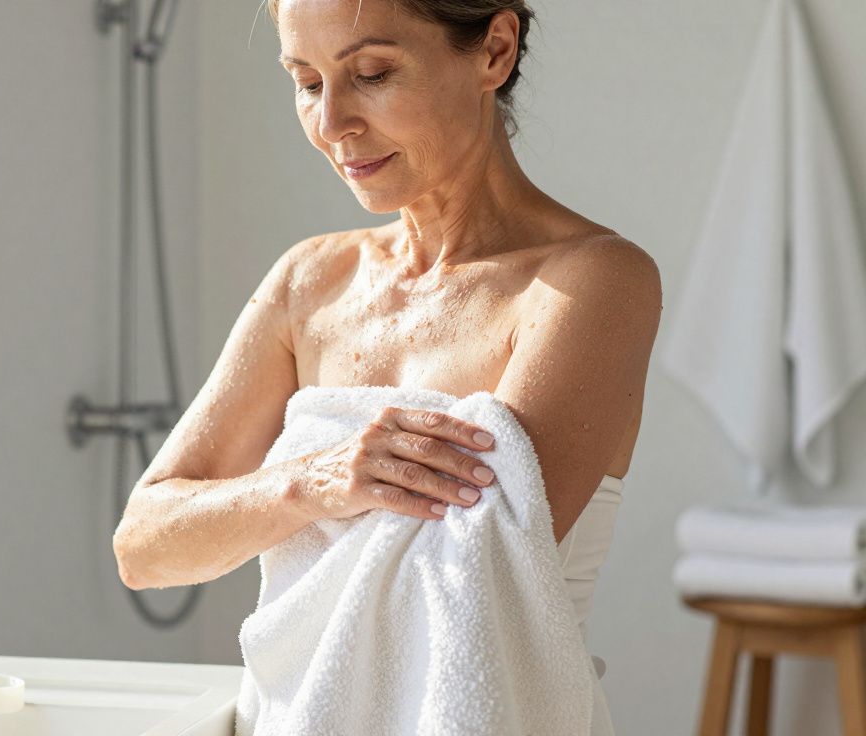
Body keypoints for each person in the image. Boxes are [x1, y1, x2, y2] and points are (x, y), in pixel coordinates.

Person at [112, 0, 661, 601]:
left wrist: (284, 502)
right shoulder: (311, 281)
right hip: (292, 700)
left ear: (495, 50)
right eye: (308, 82)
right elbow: (144, 547)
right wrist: (311, 482)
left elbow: (481, 573)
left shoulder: (590, 281)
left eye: (373, 74)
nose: (330, 123)